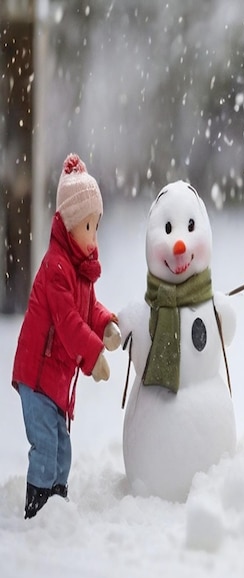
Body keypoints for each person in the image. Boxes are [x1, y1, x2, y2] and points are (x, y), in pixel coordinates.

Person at [12, 154, 121, 519]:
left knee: (62, 446)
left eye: (97, 227)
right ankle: (38, 510)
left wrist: (105, 324)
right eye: (88, 227)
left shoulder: (78, 269)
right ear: (70, 224)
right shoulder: (57, 267)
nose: (93, 237)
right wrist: (94, 357)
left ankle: (56, 508)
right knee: (45, 446)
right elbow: (69, 322)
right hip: (38, 376)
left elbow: (88, 309)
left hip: (54, 380)